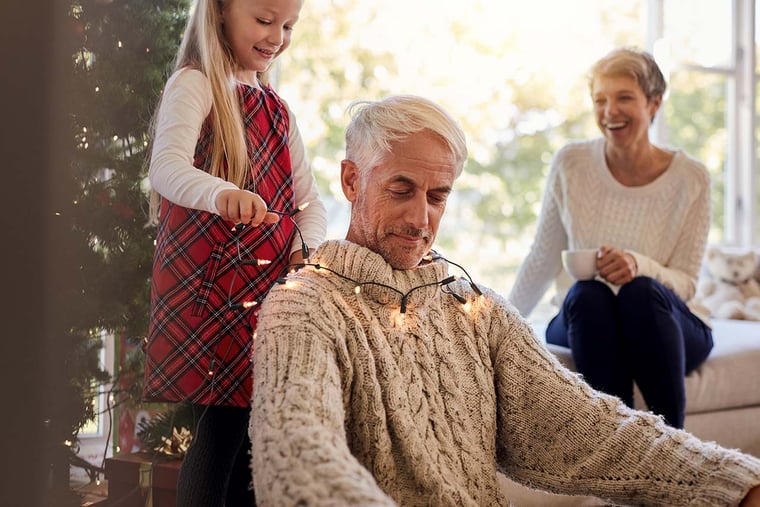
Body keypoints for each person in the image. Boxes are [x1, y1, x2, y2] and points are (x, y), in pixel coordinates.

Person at [248, 94, 760, 506]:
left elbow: (592, 428)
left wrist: (734, 483)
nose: (420, 220)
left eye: (438, 195)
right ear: (351, 181)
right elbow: (297, 456)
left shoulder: (475, 309)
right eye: (401, 189)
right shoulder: (304, 307)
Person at [141, 0, 326, 505]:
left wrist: (303, 248)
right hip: (210, 287)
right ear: (220, 11)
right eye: (264, 20)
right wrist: (221, 194)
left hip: (265, 293)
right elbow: (166, 168)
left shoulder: (278, 108)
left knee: (252, 433)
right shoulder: (196, 84)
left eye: (288, 25)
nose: (277, 37)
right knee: (224, 425)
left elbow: (309, 200)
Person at [507, 47, 713, 430]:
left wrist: (638, 266)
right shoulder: (572, 164)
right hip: (587, 316)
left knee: (639, 292)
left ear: (654, 104)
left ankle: (676, 449)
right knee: (588, 294)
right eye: (600, 100)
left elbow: (685, 284)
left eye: (623, 98)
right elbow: (542, 258)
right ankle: (616, 452)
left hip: (659, 316)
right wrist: (497, 326)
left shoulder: (691, 178)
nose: (609, 112)